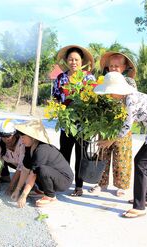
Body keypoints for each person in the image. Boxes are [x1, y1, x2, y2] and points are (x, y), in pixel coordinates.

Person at [94, 72, 147, 218]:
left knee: (141, 164)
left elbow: (127, 126)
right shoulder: (128, 97)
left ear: (116, 90)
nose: (109, 95)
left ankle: (139, 207)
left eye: (109, 92)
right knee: (140, 162)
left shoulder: (130, 99)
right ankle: (145, 198)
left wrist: (110, 141)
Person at [89, 51, 137, 197]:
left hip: (123, 124)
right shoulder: (105, 81)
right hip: (106, 123)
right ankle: (100, 183)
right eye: (111, 66)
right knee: (103, 152)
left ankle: (121, 186)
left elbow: (131, 107)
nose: (114, 68)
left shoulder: (129, 83)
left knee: (122, 155)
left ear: (124, 67)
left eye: (117, 66)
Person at [52, 45, 96, 197]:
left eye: (76, 59)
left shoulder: (89, 78)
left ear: (82, 61)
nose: (73, 62)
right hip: (66, 125)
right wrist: (59, 111)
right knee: (64, 155)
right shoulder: (60, 78)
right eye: (70, 59)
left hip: (84, 125)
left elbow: (94, 100)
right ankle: (62, 182)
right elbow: (56, 98)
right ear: (66, 61)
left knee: (81, 156)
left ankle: (78, 186)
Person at [11, 120, 74, 208]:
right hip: (52, 174)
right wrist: (17, 190)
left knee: (40, 169)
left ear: (32, 137)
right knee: (36, 168)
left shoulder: (42, 149)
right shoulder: (29, 147)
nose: (21, 140)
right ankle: (42, 190)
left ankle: (50, 196)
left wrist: (23, 196)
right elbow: (25, 169)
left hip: (64, 180)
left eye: (23, 137)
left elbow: (33, 174)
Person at [0, 119, 26, 194]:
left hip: (23, 165)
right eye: (2, 136)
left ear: (16, 134)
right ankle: (5, 177)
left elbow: (21, 166)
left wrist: (11, 187)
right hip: (11, 161)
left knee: (21, 183)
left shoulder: (22, 143)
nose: (5, 139)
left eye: (8, 136)